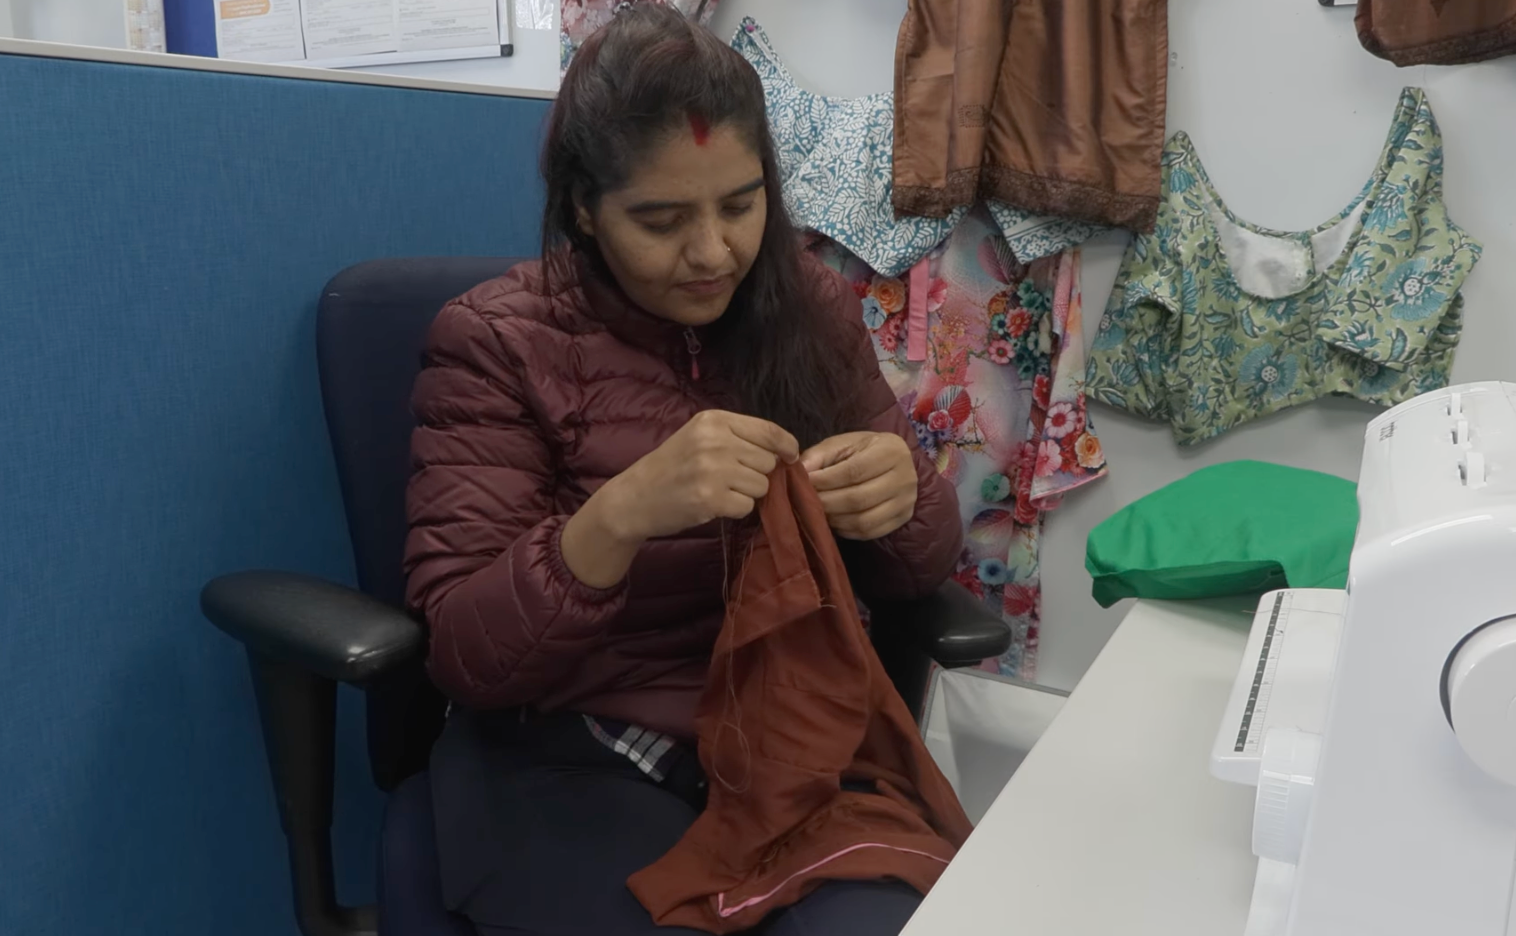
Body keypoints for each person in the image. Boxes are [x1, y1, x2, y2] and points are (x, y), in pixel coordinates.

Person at [403, 6, 963, 935]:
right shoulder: (494, 344)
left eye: (740, 206)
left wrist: (904, 500)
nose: (712, 253)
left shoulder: (810, 308)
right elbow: (468, 657)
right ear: (584, 208)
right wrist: (617, 518)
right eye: (661, 221)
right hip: (569, 750)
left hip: (785, 735)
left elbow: (915, 572)